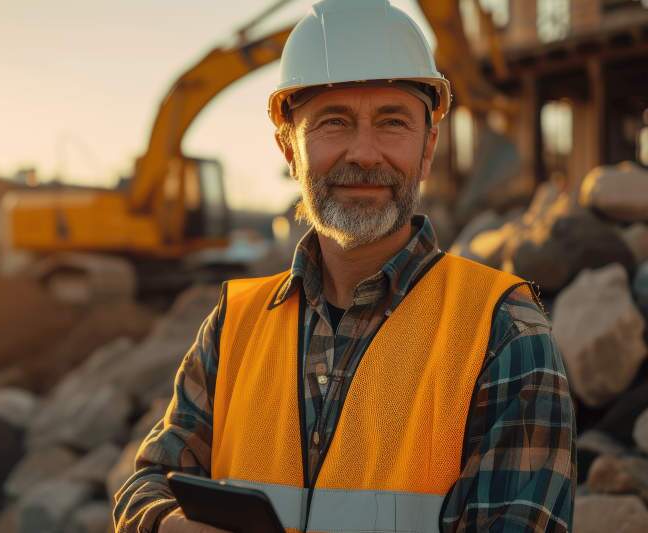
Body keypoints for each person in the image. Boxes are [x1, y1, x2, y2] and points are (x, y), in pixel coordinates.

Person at [113, 0, 576, 531]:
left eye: (392, 122)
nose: (364, 153)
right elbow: (146, 481)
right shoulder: (233, 325)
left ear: (428, 149)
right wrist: (166, 524)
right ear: (289, 149)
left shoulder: (505, 334)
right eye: (334, 122)